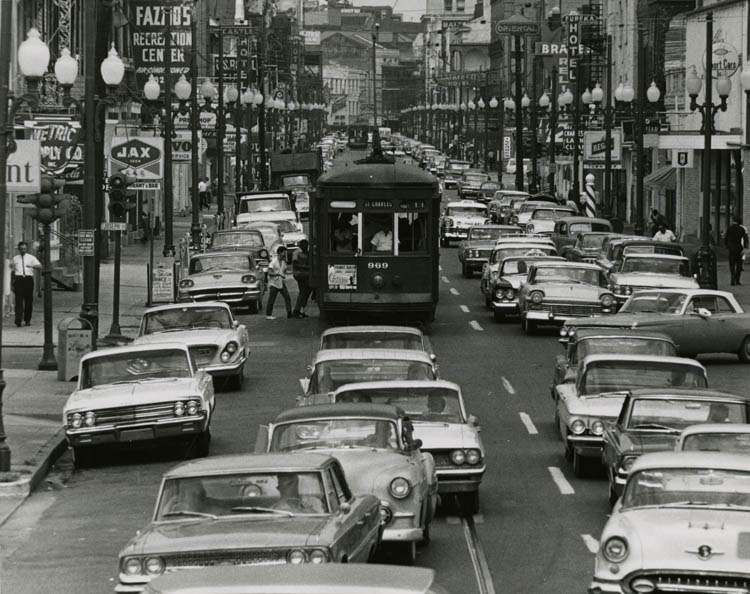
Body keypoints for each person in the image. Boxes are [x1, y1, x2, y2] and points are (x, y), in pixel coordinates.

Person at [11, 241, 41, 327]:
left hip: (28, 280)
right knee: (18, 301)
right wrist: (12, 284)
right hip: (19, 279)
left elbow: (40, 266)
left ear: (26, 248)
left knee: (28, 301)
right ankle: (18, 321)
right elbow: (12, 271)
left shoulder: (31, 258)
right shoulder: (15, 258)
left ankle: (27, 320)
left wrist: (32, 266)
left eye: (24, 248)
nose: (23, 250)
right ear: (19, 249)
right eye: (21, 249)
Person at [265, 246, 293, 320]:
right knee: (272, 299)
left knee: (287, 297)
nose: (285, 254)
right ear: (280, 253)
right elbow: (269, 272)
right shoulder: (274, 261)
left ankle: (289, 312)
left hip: (280, 282)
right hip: (274, 283)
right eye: (284, 252)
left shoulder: (283, 262)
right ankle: (268, 314)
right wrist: (278, 274)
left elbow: (285, 270)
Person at [725, 216, 749, 285]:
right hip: (739, 248)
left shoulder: (730, 228)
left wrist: (727, 246)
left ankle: (732, 276)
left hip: (732, 248)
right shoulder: (742, 229)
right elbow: (745, 239)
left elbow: (726, 238)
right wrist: (745, 247)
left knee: (732, 264)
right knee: (739, 264)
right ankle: (737, 279)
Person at [292, 239, 312, 318]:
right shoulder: (297, 253)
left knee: (305, 292)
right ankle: (297, 310)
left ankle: (301, 310)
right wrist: (307, 268)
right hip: (301, 274)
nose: (306, 247)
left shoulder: (304, 253)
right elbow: (295, 264)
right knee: (303, 292)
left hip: (303, 274)